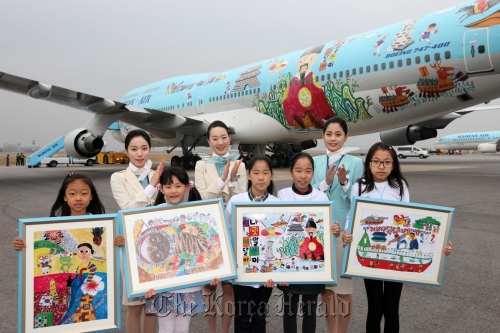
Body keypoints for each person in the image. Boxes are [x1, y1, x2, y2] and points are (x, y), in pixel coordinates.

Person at [343, 142, 453, 333]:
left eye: (387, 162)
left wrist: (439, 244)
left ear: (394, 165)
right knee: (375, 308)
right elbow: (351, 215)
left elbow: (410, 219)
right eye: (376, 161)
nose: (381, 166)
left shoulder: (400, 186)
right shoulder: (359, 187)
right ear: (368, 163)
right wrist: (347, 232)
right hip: (373, 257)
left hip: (396, 254)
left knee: (392, 309)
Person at [145, 167, 220, 333]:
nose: (173, 191)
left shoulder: (197, 214)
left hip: (188, 287)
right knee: (165, 329)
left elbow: (207, 250)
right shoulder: (153, 214)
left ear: (187, 187)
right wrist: (145, 281)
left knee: (182, 329)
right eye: (168, 186)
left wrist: (214, 273)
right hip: (163, 286)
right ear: (161, 188)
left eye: (178, 186)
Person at [275, 152, 340, 333]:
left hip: (314, 267)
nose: (303, 176)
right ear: (291, 172)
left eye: (308, 171)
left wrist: (332, 229)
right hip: (289, 265)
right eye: (298, 170)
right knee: (289, 311)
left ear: (313, 173)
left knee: (310, 311)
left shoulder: (321, 198)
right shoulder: (283, 195)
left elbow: (326, 229)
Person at [311, 116, 363, 333]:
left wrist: (343, 183)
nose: (333, 138)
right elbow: (311, 194)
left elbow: (358, 200)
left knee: (344, 290)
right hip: (321, 233)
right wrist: (326, 182)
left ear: (346, 137)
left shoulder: (355, 163)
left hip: (343, 232)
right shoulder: (315, 162)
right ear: (323, 136)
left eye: (338, 134)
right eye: (329, 134)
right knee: (327, 291)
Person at [195, 120, 246, 333]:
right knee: (208, 286)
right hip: (209, 230)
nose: (220, 142)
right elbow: (202, 197)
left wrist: (232, 182)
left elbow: (241, 199)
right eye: (215, 138)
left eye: (224, 137)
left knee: (228, 286)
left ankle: (224, 330)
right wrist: (224, 178)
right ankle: (212, 330)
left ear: (230, 138)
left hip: (233, 228)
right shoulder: (201, 165)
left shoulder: (240, 164)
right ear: (208, 141)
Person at [110, 129, 164, 333]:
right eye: (134, 149)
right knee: (134, 305)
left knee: (151, 306)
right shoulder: (118, 177)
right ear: (126, 151)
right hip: (132, 246)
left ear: (150, 149)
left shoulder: (158, 173)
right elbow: (128, 208)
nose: (139, 154)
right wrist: (151, 186)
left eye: (144, 148)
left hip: (157, 245)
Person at [226, 156, 278, 333]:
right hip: (242, 272)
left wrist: (279, 271)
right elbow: (229, 233)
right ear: (248, 175)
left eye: (265, 173)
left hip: (266, 274)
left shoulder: (277, 204)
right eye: (256, 173)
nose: (261, 177)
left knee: (259, 317)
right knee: (242, 317)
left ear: (272, 176)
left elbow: (280, 239)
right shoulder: (235, 202)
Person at [13, 173, 122, 249]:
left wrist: (119, 243)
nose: (78, 198)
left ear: (91, 196)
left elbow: (107, 250)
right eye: (72, 194)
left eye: (84, 193)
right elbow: (40, 247)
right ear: (65, 197)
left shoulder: (102, 227)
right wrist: (24, 242)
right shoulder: (52, 227)